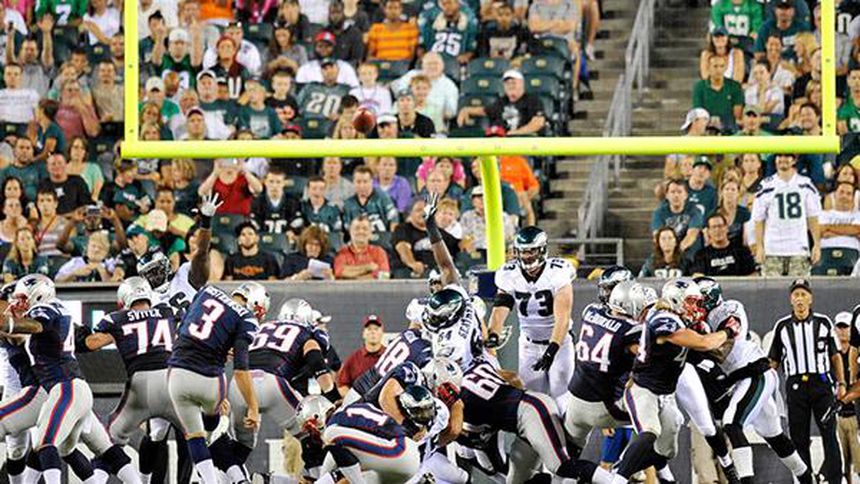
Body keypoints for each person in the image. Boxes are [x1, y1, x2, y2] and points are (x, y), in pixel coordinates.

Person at [609, 279, 730, 484]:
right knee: (649, 434)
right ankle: (617, 478)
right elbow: (705, 343)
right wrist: (728, 331)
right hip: (644, 388)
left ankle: (636, 471)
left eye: (697, 302)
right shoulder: (664, 319)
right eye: (691, 301)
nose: (695, 307)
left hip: (665, 391)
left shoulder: (677, 318)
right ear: (676, 299)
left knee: (667, 451)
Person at [695, 277, 812, 484]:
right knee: (775, 437)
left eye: (697, 301)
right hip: (742, 379)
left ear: (710, 299)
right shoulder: (701, 321)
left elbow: (720, 347)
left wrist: (698, 342)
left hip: (754, 373)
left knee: (732, 424)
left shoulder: (728, 310)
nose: (694, 307)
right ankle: (807, 479)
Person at [83, 277, 183, 484]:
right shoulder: (168, 312)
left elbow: (92, 344)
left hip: (140, 386)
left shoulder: (117, 318)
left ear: (124, 299)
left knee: (108, 443)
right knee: (200, 437)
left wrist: (78, 337)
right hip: (171, 384)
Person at [166, 283, 266, 484]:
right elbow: (240, 371)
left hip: (177, 373)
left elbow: (185, 327)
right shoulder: (245, 318)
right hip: (210, 380)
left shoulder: (206, 291)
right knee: (216, 426)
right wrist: (253, 407)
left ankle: (211, 478)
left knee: (195, 436)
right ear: (255, 303)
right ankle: (233, 474)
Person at [459, 357, 611, 483]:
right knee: (516, 480)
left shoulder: (465, 405)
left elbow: (466, 435)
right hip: (528, 415)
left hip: (532, 413)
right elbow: (513, 378)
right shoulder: (473, 370)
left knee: (561, 465)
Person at [487, 226, 575, 407]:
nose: (526, 256)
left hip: (560, 344)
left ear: (542, 250)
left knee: (562, 397)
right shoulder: (509, 273)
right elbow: (501, 305)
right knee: (532, 399)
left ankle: (567, 427)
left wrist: (552, 349)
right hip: (529, 345)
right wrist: (494, 332)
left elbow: (563, 319)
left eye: (531, 251)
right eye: (523, 251)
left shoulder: (558, 272)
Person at [768, 279, 842, 484]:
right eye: (796, 295)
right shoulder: (782, 326)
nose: (799, 299)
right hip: (796, 386)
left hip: (821, 384)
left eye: (803, 294)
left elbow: (835, 356)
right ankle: (805, 481)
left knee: (829, 435)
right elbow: (773, 360)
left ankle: (835, 480)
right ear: (790, 300)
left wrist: (842, 383)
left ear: (811, 298)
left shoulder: (823, 322)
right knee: (799, 438)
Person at [563, 274, 646, 455]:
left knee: (567, 455)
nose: (606, 294)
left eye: (611, 289)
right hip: (605, 404)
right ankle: (629, 468)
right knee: (663, 415)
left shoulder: (591, 311)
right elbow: (649, 360)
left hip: (575, 398)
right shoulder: (631, 330)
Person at [753, 153, 821, 277]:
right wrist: (759, 247)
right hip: (772, 249)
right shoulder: (766, 185)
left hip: (798, 248)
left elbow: (813, 217)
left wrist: (817, 245)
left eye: (787, 156)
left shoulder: (805, 184)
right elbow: (758, 219)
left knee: (798, 287)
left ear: (794, 160)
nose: (782, 159)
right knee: (772, 288)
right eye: (779, 156)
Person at [457, 69, 545, 135]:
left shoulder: (533, 100)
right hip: (501, 143)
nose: (510, 86)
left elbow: (538, 122)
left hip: (524, 143)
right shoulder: (501, 102)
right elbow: (485, 111)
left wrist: (516, 133)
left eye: (513, 82)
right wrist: (466, 110)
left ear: (522, 84)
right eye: (507, 83)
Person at [341, 165, 400, 247]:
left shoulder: (383, 198)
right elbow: (348, 229)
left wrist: (393, 243)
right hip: (358, 244)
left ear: (371, 182)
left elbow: (394, 221)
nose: (362, 186)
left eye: (365, 182)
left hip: (382, 242)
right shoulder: (348, 204)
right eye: (358, 182)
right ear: (353, 182)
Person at [834, 312, 860, 481]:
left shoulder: (856, 354)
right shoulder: (831, 355)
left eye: (846, 327)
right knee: (842, 467)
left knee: (859, 464)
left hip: (856, 416)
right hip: (838, 417)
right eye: (840, 327)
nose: (843, 331)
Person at [650, 178, 704, 255]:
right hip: (667, 253)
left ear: (686, 195)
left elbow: (691, 235)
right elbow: (657, 236)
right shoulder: (659, 213)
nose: (676, 195)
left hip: (690, 254)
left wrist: (676, 252)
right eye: (672, 192)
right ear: (667, 195)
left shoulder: (695, 211)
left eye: (679, 192)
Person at [816, 182, 860, 275]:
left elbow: (857, 229)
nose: (844, 196)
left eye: (848, 194)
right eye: (841, 192)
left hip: (851, 255)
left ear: (853, 197)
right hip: (824, 254)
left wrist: (828, 228)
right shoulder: (823, 214)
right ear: (835, 195)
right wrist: (850, 233)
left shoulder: (858, 215)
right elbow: (819, 231)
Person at [691, 213, 757, 276]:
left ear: (727, 228)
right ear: (708, 231)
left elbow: (753, 275)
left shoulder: (742, 251)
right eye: (714, 227)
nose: (717, 230)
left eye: (720, 226)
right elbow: (698, 276)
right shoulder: (701, 255)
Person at [337, 315, 386, 395]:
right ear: (363, 334)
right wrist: (353, 399)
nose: (373, 332)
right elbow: (342, 385)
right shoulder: (353, 359)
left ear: (382, 333)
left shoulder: (390, 356)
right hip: (360, 402)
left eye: (376, 329)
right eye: (369, 329)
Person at [693, 55, 744, 133]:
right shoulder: (700, 87)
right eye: (715, 66)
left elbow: (737, 113)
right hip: (707, 125)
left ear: (725, 68)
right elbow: (698, 111)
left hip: (729, 126)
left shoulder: (735, 86)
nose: (719, 70)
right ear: (708, 68)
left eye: (721, 66)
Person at [198, 158, 264, 217]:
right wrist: (215, 174)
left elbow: (259, 189)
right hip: (217, 217)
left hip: (240, 218)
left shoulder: (245, 178)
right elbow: (201, 192)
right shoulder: (213, 178)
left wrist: (245, 171)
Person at [251, 168, 304, 237]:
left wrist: (291, 232)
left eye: (278, 182)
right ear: (265, 182)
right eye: (271, 181)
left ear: (284, 183)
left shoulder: (293, 202)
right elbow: (254, 225)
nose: (274, 186)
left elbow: (297, 224)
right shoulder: (257, 202)